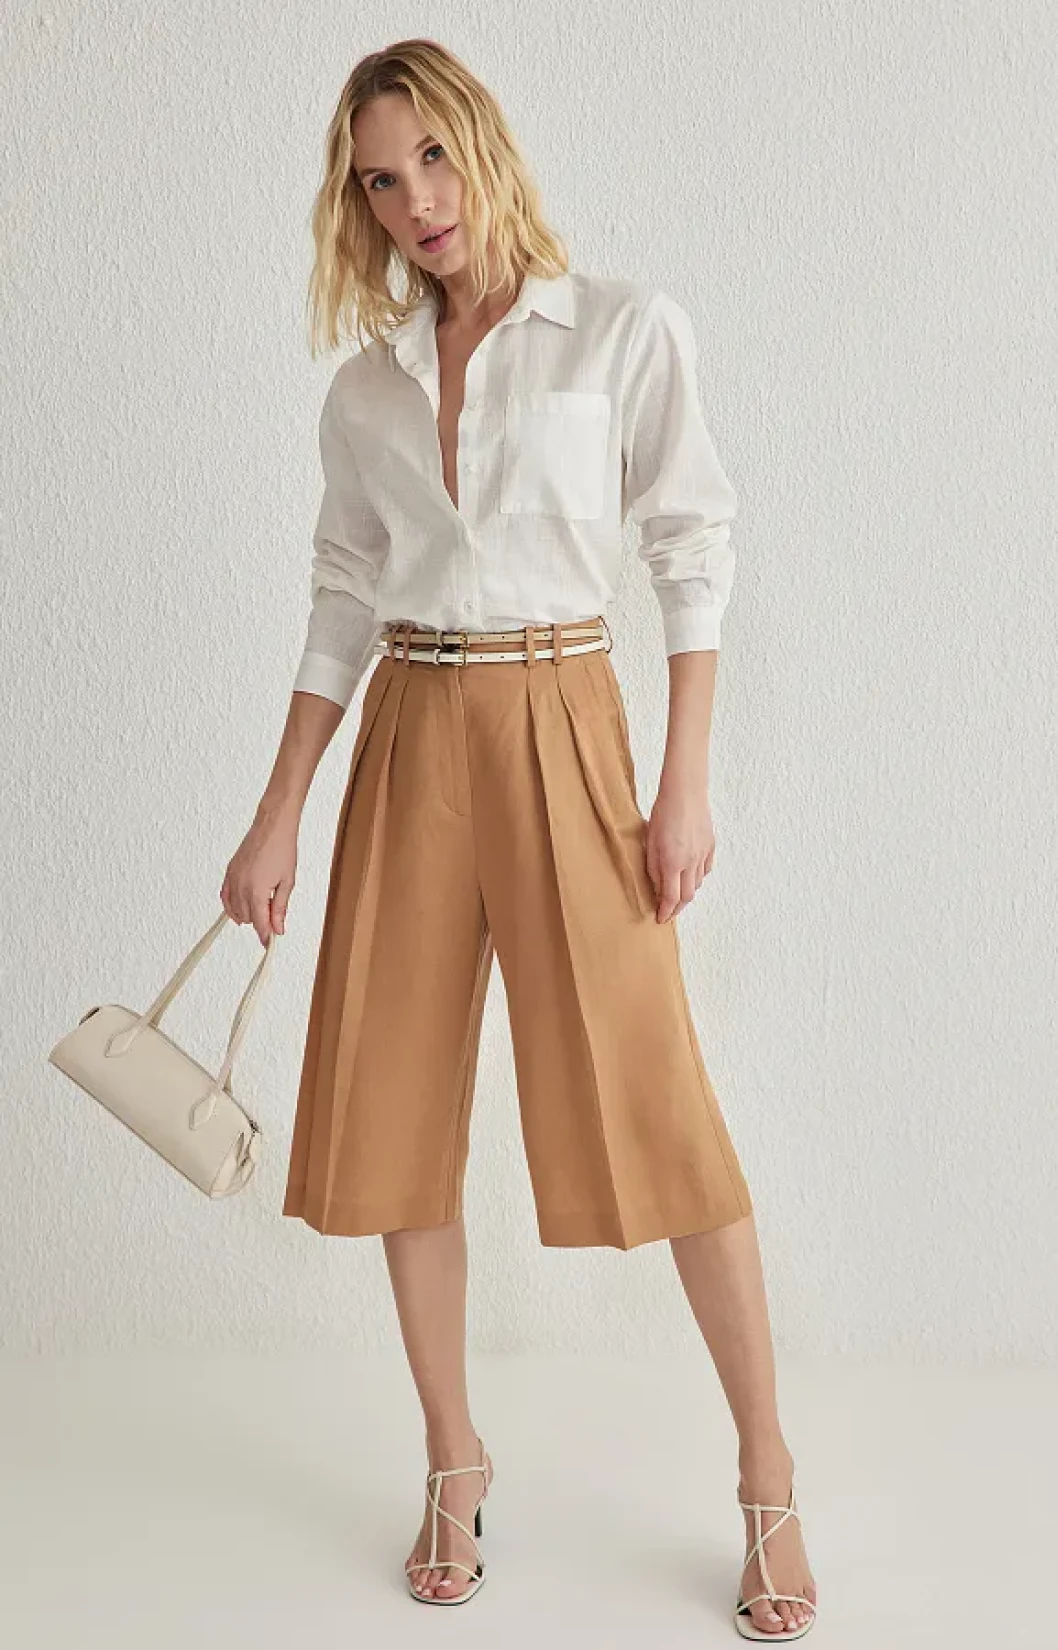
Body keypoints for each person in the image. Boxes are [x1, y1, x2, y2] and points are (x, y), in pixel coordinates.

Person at [219, 36, 817, 1640]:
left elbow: (693, 546)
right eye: (377, 179)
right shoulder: (365, 390)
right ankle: (453, 1457)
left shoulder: (617, 330)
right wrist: (277, 812)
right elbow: (342, 601)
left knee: (663, 1108)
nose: (413, 200)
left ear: (480, 144)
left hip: (566, 717)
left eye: (429, 157)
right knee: (399, 1115)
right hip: (411, 733)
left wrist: (684, 781)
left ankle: (767, 1470)